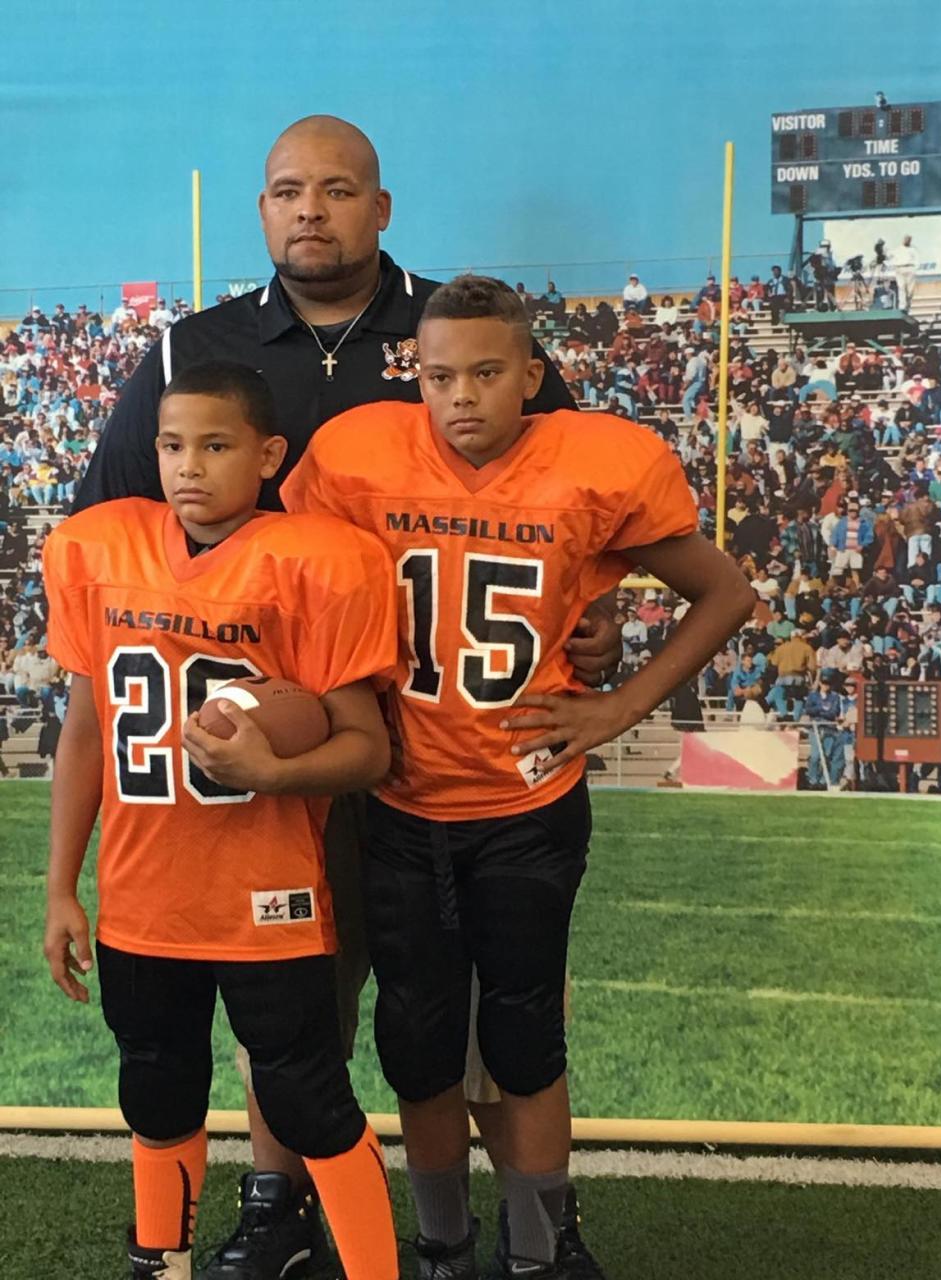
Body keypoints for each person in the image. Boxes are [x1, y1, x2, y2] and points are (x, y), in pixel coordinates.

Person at [69, 115, 620, 1277]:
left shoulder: (456, 331)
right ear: (260, 212)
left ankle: (516, 1232)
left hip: (438, 755)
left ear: (382, 207)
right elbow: (116, 528)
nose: (308, 210)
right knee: (293, 1004)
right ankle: (279, 1211)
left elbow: (573, 500)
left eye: (335, 190)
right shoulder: (189, 351)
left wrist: (600, 624)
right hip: (256, 758)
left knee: (477, 1020)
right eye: (284, 191)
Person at [281, 275, 756, 1279]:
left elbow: (724, 590)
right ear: (415, 375)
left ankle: (539, 1245)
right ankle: (444, 1242)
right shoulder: (360, 454)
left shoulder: (597, 462)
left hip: (527, 803)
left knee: (525, 1031)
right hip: (400, 802)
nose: (461, 397)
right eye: (440, 375)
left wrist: (621, 701)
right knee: (415, 1041)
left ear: (531, 376)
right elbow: (298, 573)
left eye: (488, 373)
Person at [41, 363, 400, 1280]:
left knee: (308, 1097)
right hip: (141, 891)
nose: (188, 466)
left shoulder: (313, 559)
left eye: (215, 444)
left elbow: (368, 749)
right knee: (155, 1089)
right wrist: (59, 888)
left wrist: (272, 769)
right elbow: (85, 733)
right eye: (171, 445)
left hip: (264, 893)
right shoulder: (100, 547)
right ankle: (160, 1262)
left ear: (269, 455)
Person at [891, 234, 919, 312]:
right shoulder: (897, 249)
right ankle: (902, 307)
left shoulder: (913, 249)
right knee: (901, 287)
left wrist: (914, 269)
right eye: (906, 239)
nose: (907, 240)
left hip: (910, 268)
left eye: (909, 239)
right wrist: (896, 267)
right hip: (900, 269)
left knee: (910, 291)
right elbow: (892, 258)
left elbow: (917, 259)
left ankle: (908, 306)